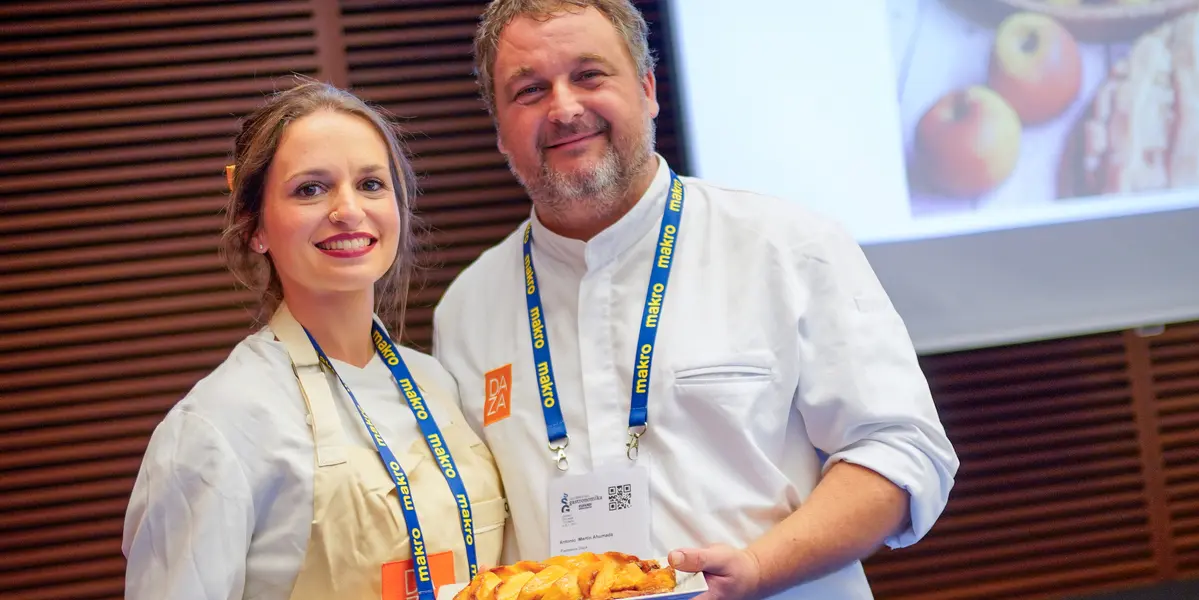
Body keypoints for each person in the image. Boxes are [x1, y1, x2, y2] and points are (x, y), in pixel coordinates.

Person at [430, 1, 959, 599]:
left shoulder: (786, 247)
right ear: (500, 129)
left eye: (589, 75)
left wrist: (759, 568)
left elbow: (901, 452)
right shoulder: (466, 310)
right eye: (529, 90)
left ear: (648, 88)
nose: (565, 108)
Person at [122, 80, 508, 600]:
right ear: (254, 227)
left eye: (371, 184)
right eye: (310, 188)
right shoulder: (216, 426)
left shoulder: (438, 382)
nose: (348, 209)